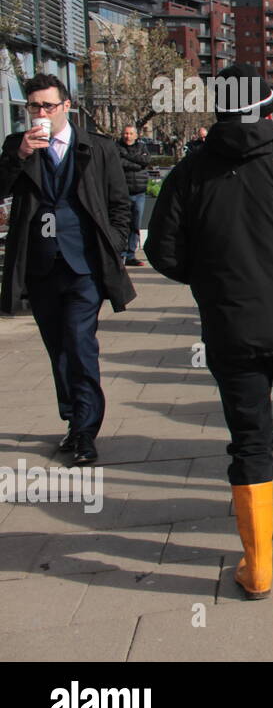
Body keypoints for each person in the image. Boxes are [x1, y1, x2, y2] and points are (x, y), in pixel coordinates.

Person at [145, 63, 273, 600]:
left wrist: (212, 280)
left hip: (230, 325)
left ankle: (257, 564)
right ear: (267, 106)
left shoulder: (190, 173)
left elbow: (162, 252)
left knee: (249, 438)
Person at [0, 74, 136, 465]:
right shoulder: (17, 146)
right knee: (57, 348)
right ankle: (73, 420)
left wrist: (113, 245)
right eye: (33, 107)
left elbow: (119, 203)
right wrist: (19, 156)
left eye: (47, 106)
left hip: (84, 266)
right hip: (40, 265)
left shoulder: (96, 147)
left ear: (66, 106)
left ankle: (86, 429)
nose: (40, 113)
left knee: (80, 343)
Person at [117, 124, 150, 267]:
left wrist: (128, 157)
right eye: (125, 133)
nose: (128, 136)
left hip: (139, 193)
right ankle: (121, 254)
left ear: (136, 135)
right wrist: (136, 162)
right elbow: (119, 163)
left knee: (135, 225)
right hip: (123, 192)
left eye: (131, 133)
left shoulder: (142, 147)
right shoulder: (116, 147)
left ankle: (131, 254)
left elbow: (146, 161)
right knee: (122, 224)